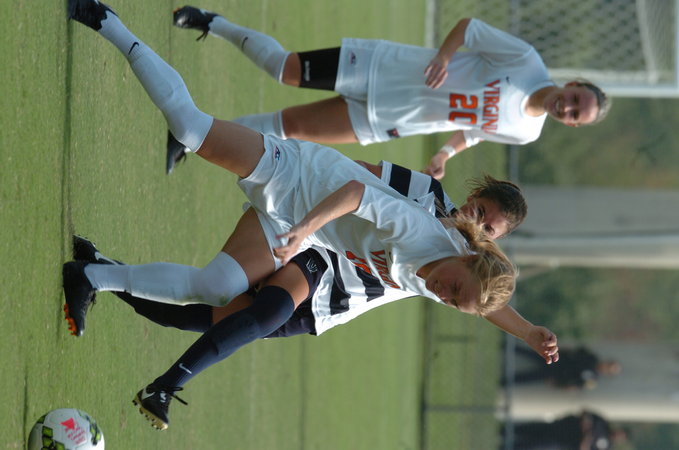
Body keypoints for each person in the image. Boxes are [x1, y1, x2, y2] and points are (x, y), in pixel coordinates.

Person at [65, 0, 517, 430]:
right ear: (467, 259)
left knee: (214, 288)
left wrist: (530, 333)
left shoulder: (445, 280)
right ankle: (105, 19)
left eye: (455, 303)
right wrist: (306, 230)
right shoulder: (424, 231)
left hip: (291, 225)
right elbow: (357, 191)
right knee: (189, 127)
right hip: (300, 176)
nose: (445, 296)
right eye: (455, 289)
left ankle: (91, 275)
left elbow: (485, 302)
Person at [168, 6, 611, 179]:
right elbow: (468, 28)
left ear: (572, 124)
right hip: (384, 69)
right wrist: (443, 57)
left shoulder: (527, 133)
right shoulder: (526, 61)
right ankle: (214, 23)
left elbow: (474, 131)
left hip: (389, 119)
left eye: (576, 115)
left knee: (288, 129)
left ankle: (192, 138)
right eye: (576, 99)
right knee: (284, 69)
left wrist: (444, 155)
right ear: (572, 85)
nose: (568, 108)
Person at [509, 345, 620, 390]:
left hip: (557, 374)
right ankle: (508, 346)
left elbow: (574, 385)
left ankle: (506, 381)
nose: (605, 368)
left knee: (529, 377)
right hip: (558, 359)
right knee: (530, 354)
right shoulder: (592, 358)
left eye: (608, 370)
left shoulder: (592, 379)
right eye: (608, 365)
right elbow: (575, 351)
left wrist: (557, 384)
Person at [508, 410, 628, 450]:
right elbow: (586, 412)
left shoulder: (605, 446)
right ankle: (506, 430)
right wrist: (586, 425)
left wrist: (586, 440)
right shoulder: (603, 423)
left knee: (534, 445)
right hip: (563, 427)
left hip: (564, 442)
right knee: (532, 429)